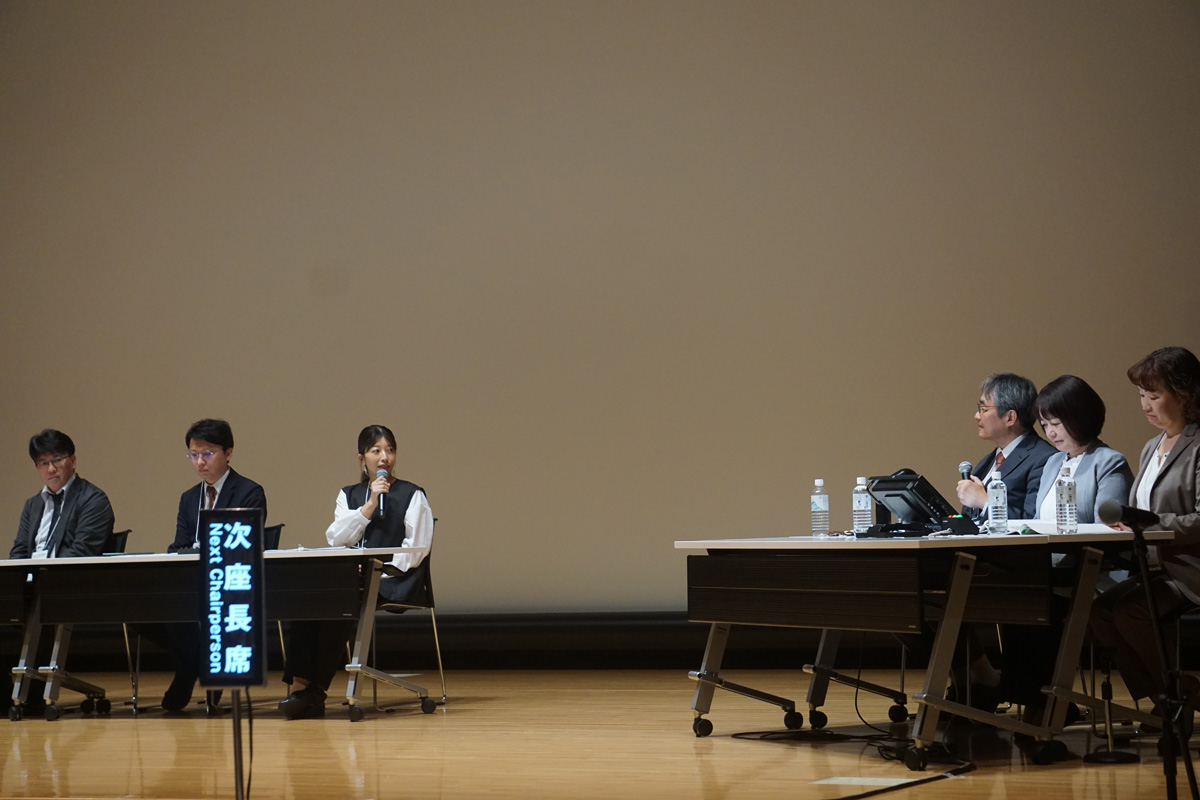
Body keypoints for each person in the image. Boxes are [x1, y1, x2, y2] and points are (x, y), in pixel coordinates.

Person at [278, 424, 433, 720]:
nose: (384, 457)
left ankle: (314, 692)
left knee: (342, 600)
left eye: (390, 450)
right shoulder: (348, 495)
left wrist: (378, 570)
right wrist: (370, 505)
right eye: (376, 451)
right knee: (308, 598)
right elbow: (336, 539)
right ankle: (300, 688)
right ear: (362, 459)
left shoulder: (412, 494)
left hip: (393, 580)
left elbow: (416, 549)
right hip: (352, 580)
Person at [1000, 376, 1133, 718]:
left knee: (1037, 603)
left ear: (1080, 417)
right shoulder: (1053, 463)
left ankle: (1046, 703)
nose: (1051, 433)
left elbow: (1108, 526)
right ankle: (1030, 697)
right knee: (1012, 598)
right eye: (1045, 425)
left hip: (1090, 571)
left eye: (1056, 423)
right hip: (1052, 570)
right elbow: (1038, 520)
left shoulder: (1108, 461)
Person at [1091, 346, 1200, 724]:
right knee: (1099, 612)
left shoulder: (1198, 445)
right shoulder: (1152, 446)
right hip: (1154, 568)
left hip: (1189, 568)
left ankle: (1180, 694)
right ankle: (1168, 696)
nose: (1146, 405)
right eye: (1141, 395)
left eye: (1154, 395)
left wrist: (1147, 524)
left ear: (1185, 394)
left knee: (1129, 612)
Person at [160, 419, 267, 711]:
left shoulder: (249, 491)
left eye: (207, 453)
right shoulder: (188, 498)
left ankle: (188, 673)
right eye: (193, 455)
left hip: (231, 580)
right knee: (158, 607)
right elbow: (178, 546)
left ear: (228, 453)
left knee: (203, 604)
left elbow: (242, 545)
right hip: (194, 581)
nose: (200, 462)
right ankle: (193, 665)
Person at [7, 429, 115, 713]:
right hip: (31, 584)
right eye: (43, 463)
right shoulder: (33, 505)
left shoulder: (93, 499)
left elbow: (82, 553)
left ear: (73, 460)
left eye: (57, 460)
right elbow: (19, 551)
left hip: (68, 587)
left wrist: (38, 573)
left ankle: (31, 695)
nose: (51, 469)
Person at [957, 373, 1057, 522]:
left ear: (1010, 417)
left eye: (983, 409)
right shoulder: (989, 460)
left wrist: (985, 502)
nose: (977, 416)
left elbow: (1033, 521)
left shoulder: (1044, 458)